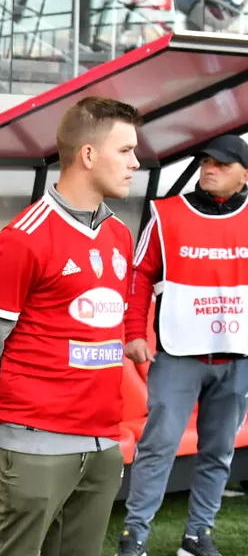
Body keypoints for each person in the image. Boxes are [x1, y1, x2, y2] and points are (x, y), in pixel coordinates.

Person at [0, 96, 143, 556]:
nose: (135, 163)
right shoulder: (22, 239)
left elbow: (106, 334)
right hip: (32, 441)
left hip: (102, 442)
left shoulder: (120, 235)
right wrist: (12, 413)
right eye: (125, 151)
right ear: (87, 155)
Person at [116, 134, 248, 556]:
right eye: (206, 161)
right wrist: (134, 333)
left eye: (222, 164)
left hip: (238, 356)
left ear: (245, 174)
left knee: (219, 452)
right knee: (157, 448)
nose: (209, 169)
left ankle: (197, 536)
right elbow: (138, 277)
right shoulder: (166, 213)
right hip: (177, 354)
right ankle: (135, 536)